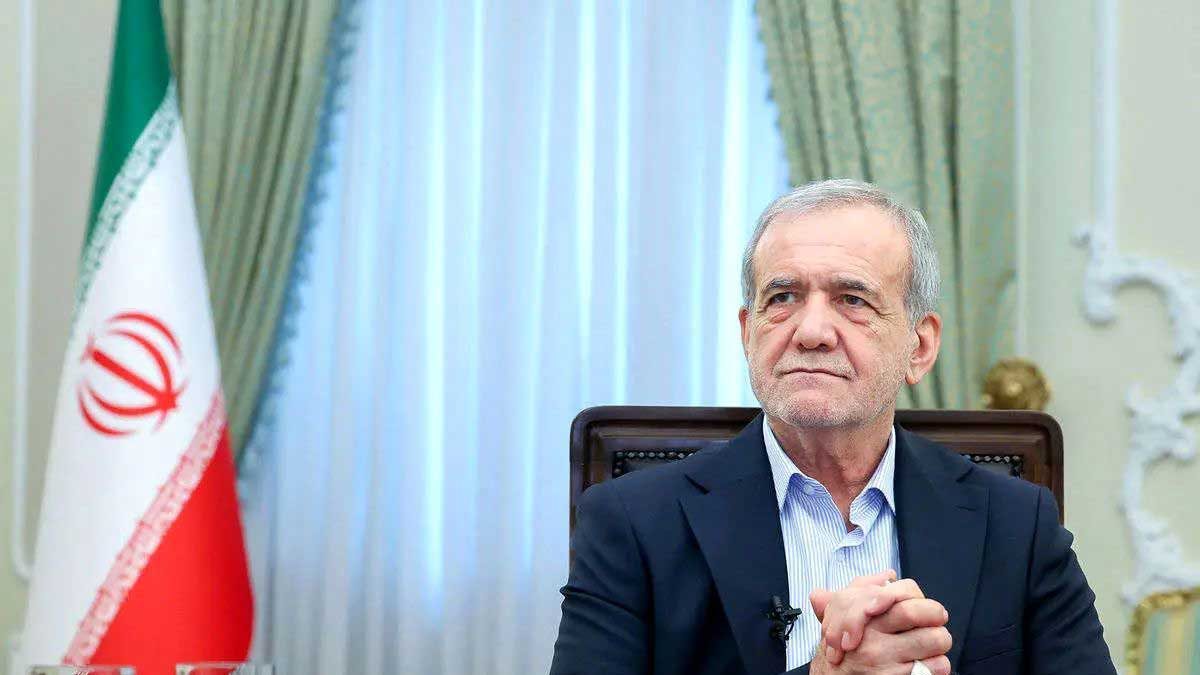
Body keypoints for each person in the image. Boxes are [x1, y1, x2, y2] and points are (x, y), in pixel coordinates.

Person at [549, 179, 1116, 675]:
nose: (811, 331)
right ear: (748, 333)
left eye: (852, 299)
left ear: (919, 347)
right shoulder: (632, 523)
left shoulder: (1016, 523)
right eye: (783, 297)